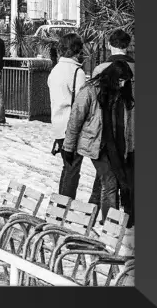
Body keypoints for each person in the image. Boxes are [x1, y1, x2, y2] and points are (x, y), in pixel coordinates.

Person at [64, 60, 135, 226]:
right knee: (109, 183)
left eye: (126, 81)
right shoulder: (90, 91)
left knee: (120, 182)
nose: (123, 84)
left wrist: (130, 149)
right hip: (97, 145)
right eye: (120, 80)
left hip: (117, 145)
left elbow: (128, 126)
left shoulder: (123, 93)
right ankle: (110, 224)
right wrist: (68, 147)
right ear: (112, 77)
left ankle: (115, 220)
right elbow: (75, 119)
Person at [48, 32, 100, 203]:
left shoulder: (55, 70)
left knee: (67, 167)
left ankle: (59, 205)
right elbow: (82, 102)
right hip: (72, 127)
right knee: (73, 169)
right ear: (77, 50)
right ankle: (64, 207)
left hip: (58, 124)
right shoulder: (76, 72)